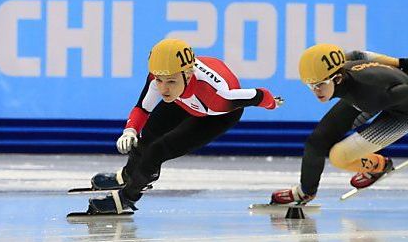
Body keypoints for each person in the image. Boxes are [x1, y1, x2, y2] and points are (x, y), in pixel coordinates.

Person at [87, 38, 283, 214]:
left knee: (158, 150)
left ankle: (127, 198)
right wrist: (129, 130)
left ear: (188, 75)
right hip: (183, 99)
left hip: (215, 116)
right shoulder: (163, 77)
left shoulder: (219, 96)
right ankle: (128, 175)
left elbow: (259, 95)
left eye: (170, 81)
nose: (163, 87)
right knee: (147, 135)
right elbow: (142, 109)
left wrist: (272, 103)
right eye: (159, 80)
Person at [271, 44, 408, 205]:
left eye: (320, 84)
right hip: (378, 93)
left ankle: (380, 165)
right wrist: (401, 62)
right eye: (311, 85)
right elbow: (360, 55)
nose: (316, 91)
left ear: (337, 79)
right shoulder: (339, 67)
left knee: (339, 156)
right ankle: (305, 193)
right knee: (316, 141)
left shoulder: (366, 95)